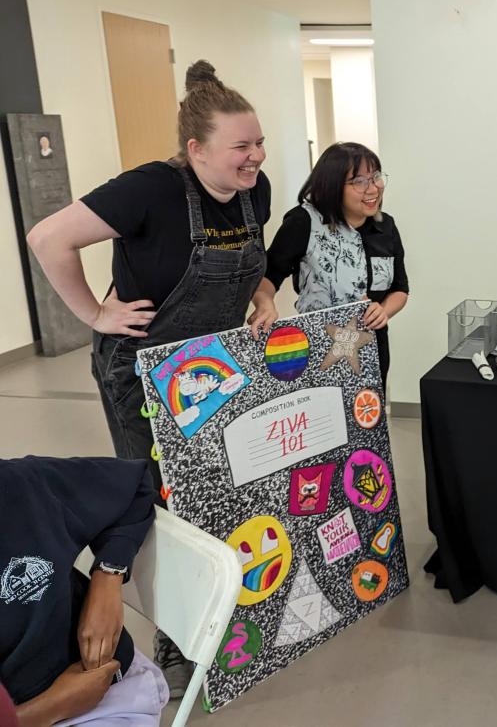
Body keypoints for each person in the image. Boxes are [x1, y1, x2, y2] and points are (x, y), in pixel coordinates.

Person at [26, 59, 271, 698]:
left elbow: (254, 263)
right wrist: (93, 313)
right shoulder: (149, 190)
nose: (256, 156)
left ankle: (218, 603)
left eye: (258, 142)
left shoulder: (255, 189)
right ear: (196, 149)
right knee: (155, 495)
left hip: (213, 366)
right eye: (241, 146)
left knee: (215, 488)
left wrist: (266, 292)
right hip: (141, 369)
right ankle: (175, 633)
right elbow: (48, 237)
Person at [1, 456, 167, 725]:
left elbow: (132, 485)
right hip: (50, 705)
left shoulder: (20, 485)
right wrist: (51, 707)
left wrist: (108, 576)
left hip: (103, 696)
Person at [249, 142, 409, 388]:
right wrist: (265, 303)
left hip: (370, 346)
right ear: (333, 187)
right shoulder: (304, 222)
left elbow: (400, 288)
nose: (373, 187)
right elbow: (268, 276)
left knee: (369, 418)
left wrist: (384, 311)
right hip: (318, 346)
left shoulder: (385, 226)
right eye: (359, 181)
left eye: (376, 177)